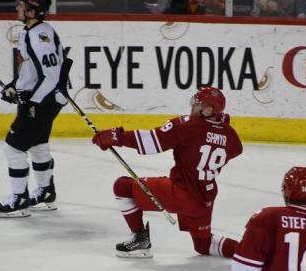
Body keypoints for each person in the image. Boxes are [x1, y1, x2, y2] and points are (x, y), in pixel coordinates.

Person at [91, 87, 242, 259]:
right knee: (203, 244)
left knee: (123, 186)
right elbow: (237, 149)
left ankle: (140, 238)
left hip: (181, 194)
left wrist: (117, 137)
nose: (192, 108)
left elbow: (153, 141)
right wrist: (217, 127)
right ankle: (249, 251)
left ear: (208, 110)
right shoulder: (230, 135)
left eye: (198, 105)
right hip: (204, 199)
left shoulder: (188, 125)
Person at [0, 0, 68, 218]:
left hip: (43, 101)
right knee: (38, 145)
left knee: (13, 148)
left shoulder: (39, 37)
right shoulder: (30, 31)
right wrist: (15, 86)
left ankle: (20, 200)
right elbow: (32, 70)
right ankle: (46, 192)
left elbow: (52, 76)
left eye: (21, 5)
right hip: (44, 98)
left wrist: (32, 100)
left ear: (32, 10)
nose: (17, 8)